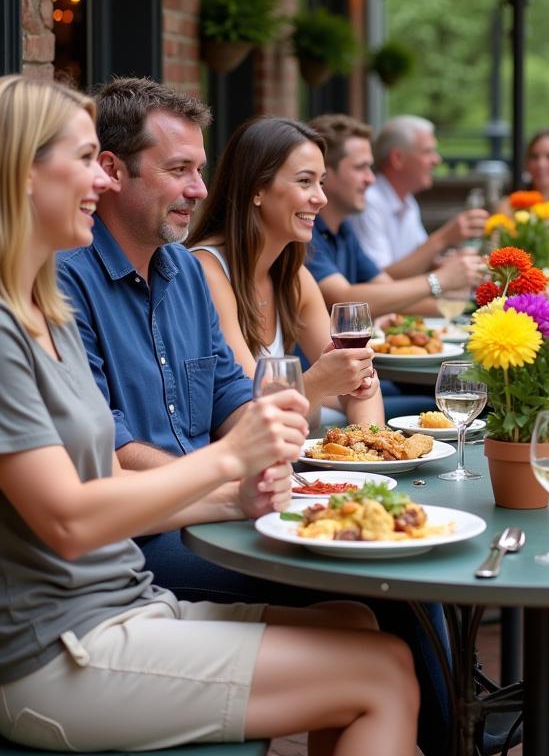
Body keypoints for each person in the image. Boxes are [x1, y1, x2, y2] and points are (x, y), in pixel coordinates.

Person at [0, 75, 418, 755]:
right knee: (383, 675)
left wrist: (232, 494)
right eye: (83, 161)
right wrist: (226, 466)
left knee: (361, 625)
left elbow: (114, 473)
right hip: (56, 650)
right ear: (22, 175)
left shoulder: (46, 312)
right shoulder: (23, 322)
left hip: (123, 602)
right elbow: (72, 521)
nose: (99, 182)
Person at [187, 116, 383, 426]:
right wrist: (320, 380)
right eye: (305, 181)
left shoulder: (294, 278)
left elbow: (363, 386)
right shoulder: (206, 272)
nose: (321, 198)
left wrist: (369, 453)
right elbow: (254, 408)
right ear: (257, 189)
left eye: (321, 182)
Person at [307, 113, 484, 318]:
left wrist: (464, 306)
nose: (371, 179)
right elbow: (345, 299)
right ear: (324, 174)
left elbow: (386, 290)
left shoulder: (343, 229)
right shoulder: (307, 234)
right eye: (360, 167)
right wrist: (441, 280)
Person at [351, 114, 488, 275]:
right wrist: (443, 238)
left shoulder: (407, 200)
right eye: (428, 152)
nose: (437, 160)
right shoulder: (369, 201)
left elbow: (420, 262)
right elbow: (380, 278)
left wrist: (454, 263)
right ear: (398, 158)